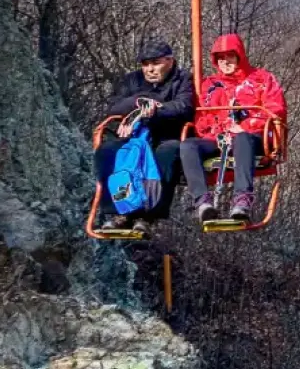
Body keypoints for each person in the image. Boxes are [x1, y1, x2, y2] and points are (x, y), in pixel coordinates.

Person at [180, 32, 287, 222]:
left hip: (254, 137)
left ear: (239, 55)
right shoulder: (210, 85)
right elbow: (202, 117)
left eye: (229, 56)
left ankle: (242, 201)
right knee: (188, 145)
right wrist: (219, 131)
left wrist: (246, 125)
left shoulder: (261, 79)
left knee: (242, 138)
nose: (225, 62)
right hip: (219, 138)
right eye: (220, 58)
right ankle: (203, 203)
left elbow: (274, 109)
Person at [95, 39, 195, 230]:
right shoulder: (132, 80)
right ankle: (117, 211)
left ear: (170, 61)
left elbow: (184, 107)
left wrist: (157, 110)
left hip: (165, 134)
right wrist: (144, 101)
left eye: (156, 63)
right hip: (134, 134)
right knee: (107, 152)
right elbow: (114, 107)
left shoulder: (182, 80)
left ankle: (148, 215)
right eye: (145, 64)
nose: (150, 69)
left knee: (167, 154)